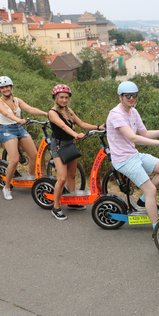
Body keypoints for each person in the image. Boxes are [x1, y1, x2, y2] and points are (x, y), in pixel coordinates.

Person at [105, 81, 159, 228]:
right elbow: (134, 137)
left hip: (134, 155)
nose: (131, 99)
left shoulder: (133, 111)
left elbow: (145, 133)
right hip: (123, 160)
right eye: (128, 96)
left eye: (134, 96)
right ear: (120, 97)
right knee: (151, 189)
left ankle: (143, 200)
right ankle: (157, 228)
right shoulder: (116, 114)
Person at [47, 84, 102, 220]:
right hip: (58, 147)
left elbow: (81, 123)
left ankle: (71, 201)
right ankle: (56, 207)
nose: (64, 100)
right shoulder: (52, 113)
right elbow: (63, 126)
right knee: (62, 177)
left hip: (70, 144)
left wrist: (98, 127)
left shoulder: (68, 110)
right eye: (61, 97)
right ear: (55, 98)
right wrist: (76, 134)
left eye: (66, 97)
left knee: (72, 175)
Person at [0, 76, 47, 200]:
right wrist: (18, 120)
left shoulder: (17, 100)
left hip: (19, 128)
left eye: (7, 86)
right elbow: (6, 113)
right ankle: (6, 187)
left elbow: (30, 109)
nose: (5, 89)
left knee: (34, 155)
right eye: (2, 88)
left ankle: (32, 178)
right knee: (15, 160)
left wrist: (46, 113)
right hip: (6, 130)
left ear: (11, 87)